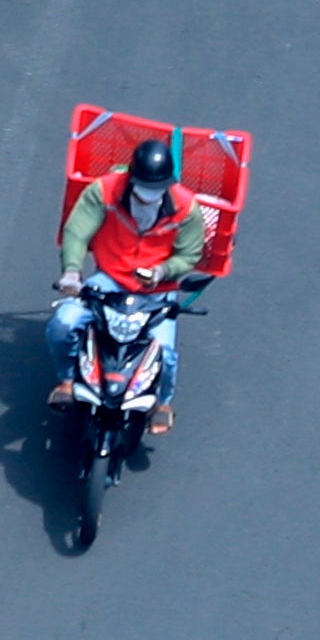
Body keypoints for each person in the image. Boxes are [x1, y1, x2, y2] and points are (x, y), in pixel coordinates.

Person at [50, 134, 219, 428]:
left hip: (157, 290)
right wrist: (72, 272)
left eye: (157, 188)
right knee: (63, 323)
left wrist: (161, 272)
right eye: (143, 186)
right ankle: (66, 381)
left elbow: (189, 255)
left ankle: (163, 403)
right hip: (110, 280)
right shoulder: (103, 191)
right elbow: (77, 232)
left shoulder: (186, 208)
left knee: (164, 352)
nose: (148, 194)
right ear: (130, 177)